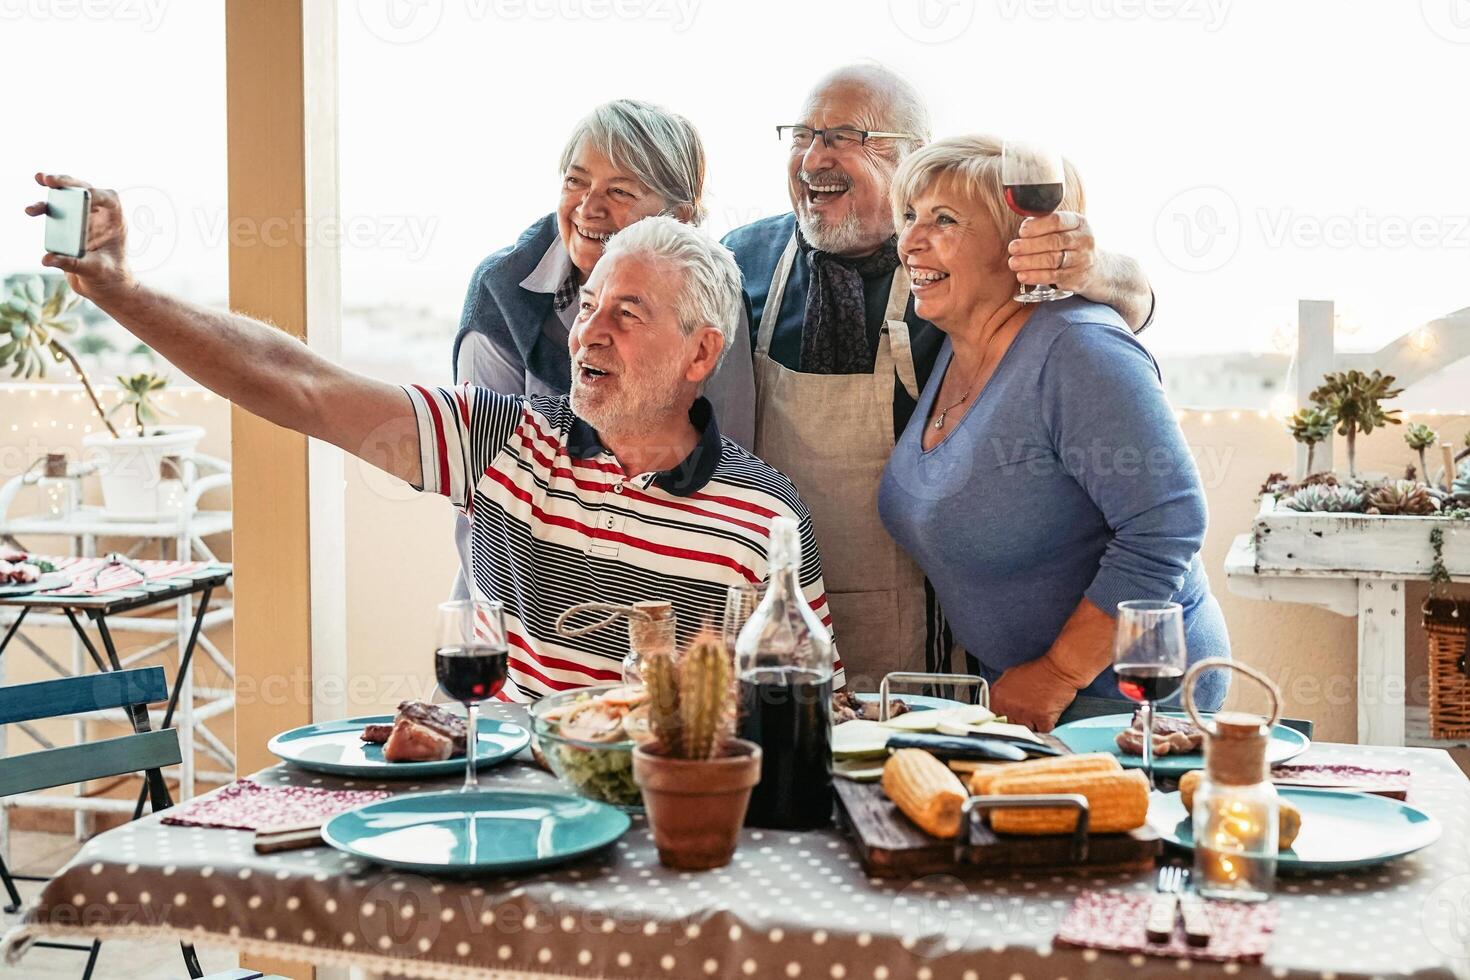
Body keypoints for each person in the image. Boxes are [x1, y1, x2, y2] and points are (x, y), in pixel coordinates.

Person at [27, 176, 835, 700]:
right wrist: (120, 292)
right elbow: (298, 384)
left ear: (701, 352)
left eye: (627, 315)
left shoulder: (763, 515)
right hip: (516, 808)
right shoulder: (502, 441)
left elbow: (810, 709)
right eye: (588, 305)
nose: (589, 334)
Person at [722, 63, 1157, 691]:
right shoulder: (741, 258)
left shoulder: (965, 266)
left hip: (933, 633)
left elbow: (1122, 307)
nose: (815, 158)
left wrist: (1096, 270)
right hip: (782, 609)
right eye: (803, 134)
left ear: (913, 157)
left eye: (845, 135)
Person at [877, 136, 1228, 732]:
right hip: (1027, 700)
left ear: (1028, 245)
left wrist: (1056, 675)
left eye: (945, 220)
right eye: (910, 216)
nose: (910, 240)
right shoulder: (953, 345)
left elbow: (1168, 525)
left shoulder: (1079, 348)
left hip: (1127, 703)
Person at [451, 98, 756, 601]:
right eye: (575, 182)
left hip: (673, 585)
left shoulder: (712, 298)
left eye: (619, 191)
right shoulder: (504, 292)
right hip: (518, 595)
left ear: (678, 217)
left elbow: (730, 470)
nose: (589, 208)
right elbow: (480, 474)